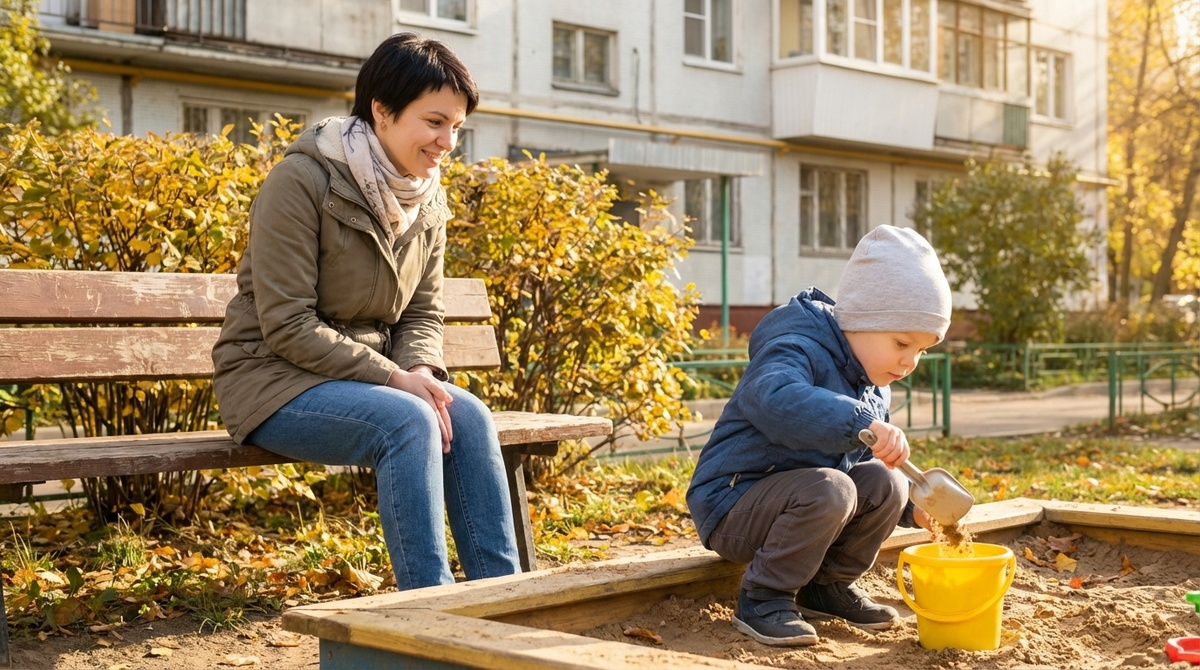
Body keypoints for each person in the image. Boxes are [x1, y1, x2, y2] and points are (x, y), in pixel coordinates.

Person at [211, 33, 521, 590]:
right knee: (408, 419)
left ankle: (507, 605)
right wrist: (394, 378)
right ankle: (428, 616)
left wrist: (421, 370)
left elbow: (423, 311)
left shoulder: (427, 197)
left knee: (468, 416)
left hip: (363, 380)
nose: (447, 142)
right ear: (381, 110)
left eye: (457, 127)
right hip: (271, 380)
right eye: (434, 122)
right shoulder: (301, 181)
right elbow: (287, 324)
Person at [685, 225, 951, 646]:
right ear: (860, 321)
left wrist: (910, 512)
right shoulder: (795, 346)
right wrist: (859, 423)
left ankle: (826, 587)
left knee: (887, 482)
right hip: (732, 503)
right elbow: (774, 399)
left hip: (804, 501)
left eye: (921, 350)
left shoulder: (871, 383)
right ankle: (764, 597)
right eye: (901, 342)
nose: (910, 361)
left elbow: (857, 466)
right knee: (831, 488)